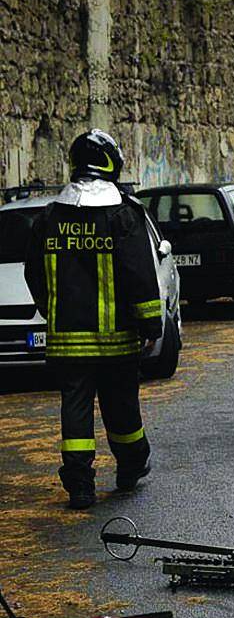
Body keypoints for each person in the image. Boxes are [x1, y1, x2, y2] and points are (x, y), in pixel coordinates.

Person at [23, 129, 161, 509]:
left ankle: (80, 486)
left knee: (75, 411)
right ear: (110, 164)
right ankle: (131, 466)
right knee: (122, 409)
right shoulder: (123, 215)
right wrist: (151, 324)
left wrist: (53, 312)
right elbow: (139, 274)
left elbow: (34, 274)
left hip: (68, 341)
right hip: (116, 341)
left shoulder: (50, 217)